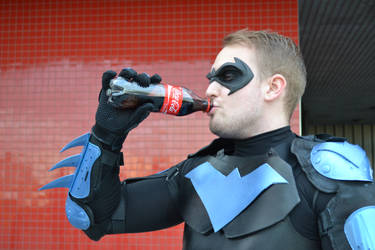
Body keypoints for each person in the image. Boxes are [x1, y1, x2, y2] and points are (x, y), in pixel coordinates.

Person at [41, 29, 375, 249]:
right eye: (212, 77)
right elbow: (90, 216)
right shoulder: (198, 173)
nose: (212, 88)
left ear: (273, 87)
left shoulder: (329, 172)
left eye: (229, 75)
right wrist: (107, 134)